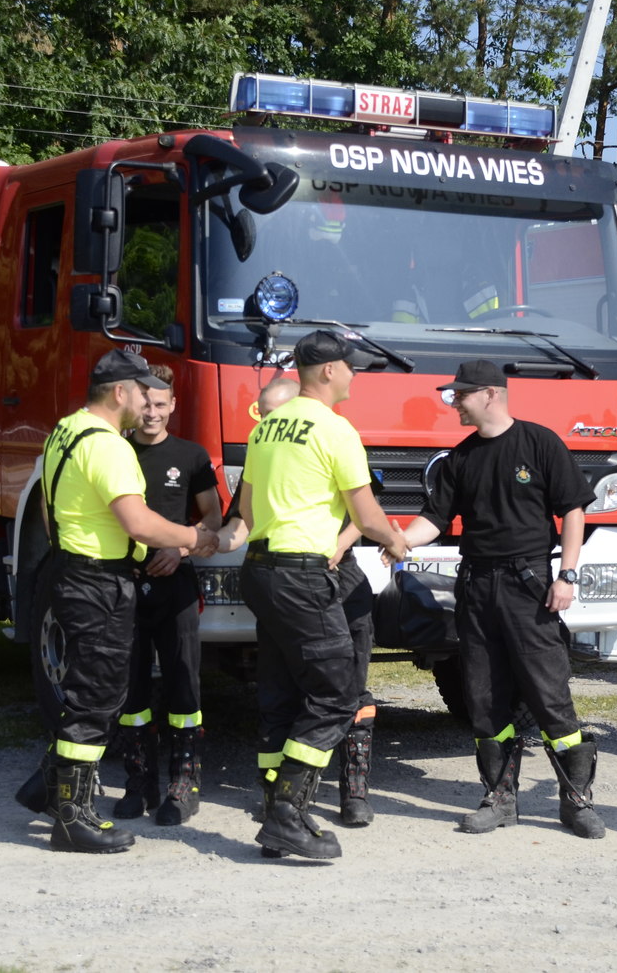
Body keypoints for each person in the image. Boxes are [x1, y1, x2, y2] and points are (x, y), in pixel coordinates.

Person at [394, 359, 605, 840]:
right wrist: (400, 541)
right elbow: (434, 519)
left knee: (549, 695)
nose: (454, 405)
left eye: (460, 396)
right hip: (478, 586)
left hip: (529, 584)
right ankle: (500, 799)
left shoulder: (539, 442)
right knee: (485, 698)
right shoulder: (461, 458)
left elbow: (573, 511)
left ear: (489, 393)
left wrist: (567, 575)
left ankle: (577, 802)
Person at [27, 348, 220, 854]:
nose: (145, 404)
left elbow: (50, 516)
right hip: (101, 582)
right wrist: (190, 540)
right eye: (140, 393)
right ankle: (73, 816)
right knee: (96, 701)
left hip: (71, 571)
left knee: (90, 690)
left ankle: (49, 787)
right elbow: (137, 522)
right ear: (120, 392)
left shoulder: (64, 431)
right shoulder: (109, 446)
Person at [237, 330, 408, 859]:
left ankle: (275, 813)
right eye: (350, 366)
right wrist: (394, 539)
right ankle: (287, 814)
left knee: (283, 694)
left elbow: (244, 511)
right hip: (302, 574)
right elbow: (365, 512)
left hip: (261, 570)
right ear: (329, 371)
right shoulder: (334, 429)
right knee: (337, 694)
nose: (355, 374)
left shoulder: (266, 430)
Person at [110, 364, 222, 827]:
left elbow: (213, 521)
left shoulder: (191, 456)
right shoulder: (113, 453)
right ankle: (139, 781)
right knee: (130, 688)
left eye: (161, 404)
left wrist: (180, 548)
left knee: (182, 681)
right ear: (133, 404)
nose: (152, 413)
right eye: (146, 404)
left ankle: (184, 783)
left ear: (173, 405)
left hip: (174, 585)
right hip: (125, 583)